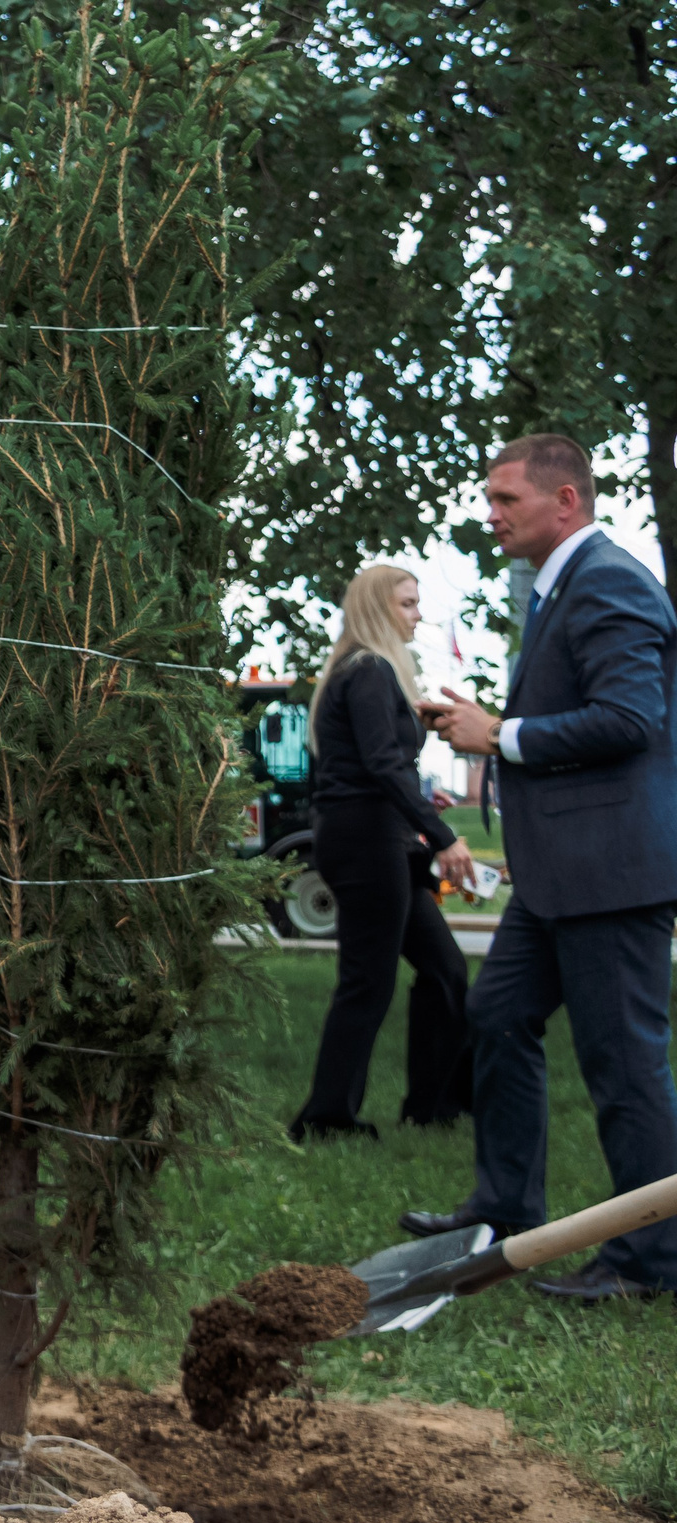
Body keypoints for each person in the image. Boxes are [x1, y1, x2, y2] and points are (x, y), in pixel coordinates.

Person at [411, 435, 677, 1301]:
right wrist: (478, 723)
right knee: (494, 1015)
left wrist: (504, 736)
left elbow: (631, 718)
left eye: (505, 500)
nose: (490, 516)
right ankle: (506, 1205)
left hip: (611, 873)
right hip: (558, 873)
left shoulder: (610, 581)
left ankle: (650, 1262)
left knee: (624, 1068)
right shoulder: (559, 585)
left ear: (565, 502)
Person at [287, 564, 475, 1139]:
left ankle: (434, 1105)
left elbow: (379, 767)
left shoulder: (368, 672)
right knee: (368, 982)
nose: (418, 614)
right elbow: (379, 765)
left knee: (445, 970)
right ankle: (326, 1118)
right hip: (366, 843)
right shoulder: (368, 670)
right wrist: (445, 839)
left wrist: (421, 800)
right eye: (409, 603)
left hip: (375, 837)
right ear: (378, 608)